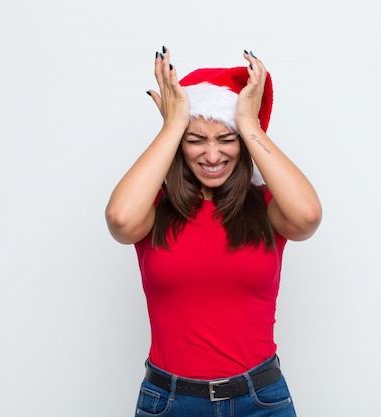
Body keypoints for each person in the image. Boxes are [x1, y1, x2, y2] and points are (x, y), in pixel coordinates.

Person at [105, 46, 322, 417]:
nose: (211, 155)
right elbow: (121, 220)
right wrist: (174, 124)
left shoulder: (268, 206)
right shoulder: (154, 209)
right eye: (196, 140)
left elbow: (307, 216)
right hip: (169, 402)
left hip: (261, 400)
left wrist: (248, 123)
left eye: (226, 139)